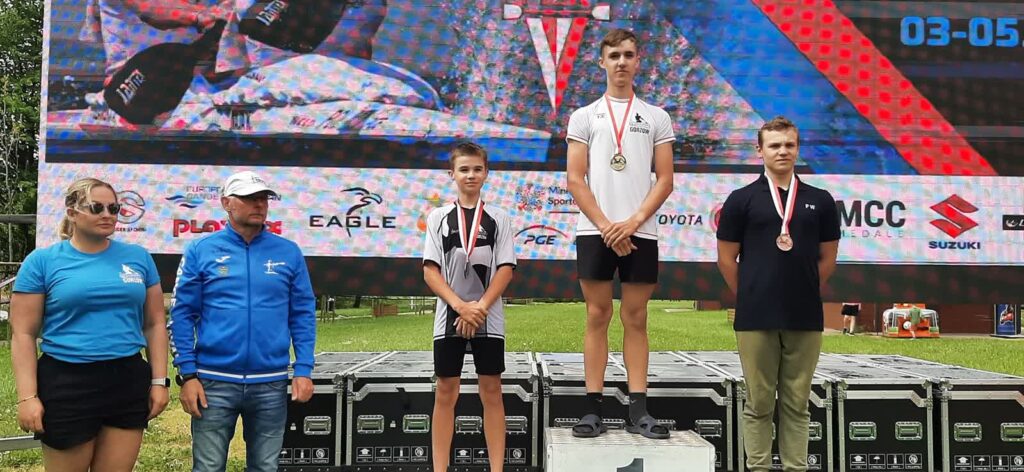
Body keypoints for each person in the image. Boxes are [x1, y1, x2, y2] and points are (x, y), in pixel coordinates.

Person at [10, 178, 169, 470]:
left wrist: (160, 381)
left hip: (127, 379)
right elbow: (23, 333)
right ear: (72, 212)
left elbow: (155, 323)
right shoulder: (42, 262)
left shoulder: (138, 258)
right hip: (67, 382)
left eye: (114, 208)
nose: (108, 215)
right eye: (96, 208)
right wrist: (27, 397)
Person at [564, 28, 675, 439]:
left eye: (628, 54)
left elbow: (665, 179)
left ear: (638, 61)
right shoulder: (584, 115)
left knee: (636, 317)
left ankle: (639, 411)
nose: (621, 62)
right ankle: (592, 408)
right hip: (594, 230)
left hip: (640, 232)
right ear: (602, 62)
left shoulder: (656, 116)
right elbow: (575, 178)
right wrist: (606, 226)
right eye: (614, 56)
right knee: (597, 315)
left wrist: (633, 221)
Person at [716, 116, 841, 472]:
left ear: (798, 149)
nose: (782, 151)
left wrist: (803, 289)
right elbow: (726, 259)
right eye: (774, 145)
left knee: (797, 403)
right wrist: (751, 293)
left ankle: (795, 467)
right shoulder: (741, 200)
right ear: (760, 150)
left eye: (789, 144)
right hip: (755, 316)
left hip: (805, 315)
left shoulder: (821, 200)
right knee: (758, 403)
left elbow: (828, 258)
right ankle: (757, 467)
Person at [169, 171, 316, 472]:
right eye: (249, 198)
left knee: (265, 466)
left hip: (271, 382)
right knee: (208, 467)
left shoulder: (288, 252)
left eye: (263, 198)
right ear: (226, 203)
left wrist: (303, 369)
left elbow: (302, 313)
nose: (259, 204)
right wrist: (188, 375)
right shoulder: (201, 250)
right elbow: (182, 313)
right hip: (213, 381)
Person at [423, 143, 516, 472]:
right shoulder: (437, 217)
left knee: (491, 389)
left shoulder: (499, 218)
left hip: (488, 317)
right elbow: (430, 271)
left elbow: (505, 268)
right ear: (452, 174)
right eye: (464, 169)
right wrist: (461, 307)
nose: (471, 175)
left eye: (477, 169)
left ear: (486, 173)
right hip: (449, 315)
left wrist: (479, 308)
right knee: (445, 391)